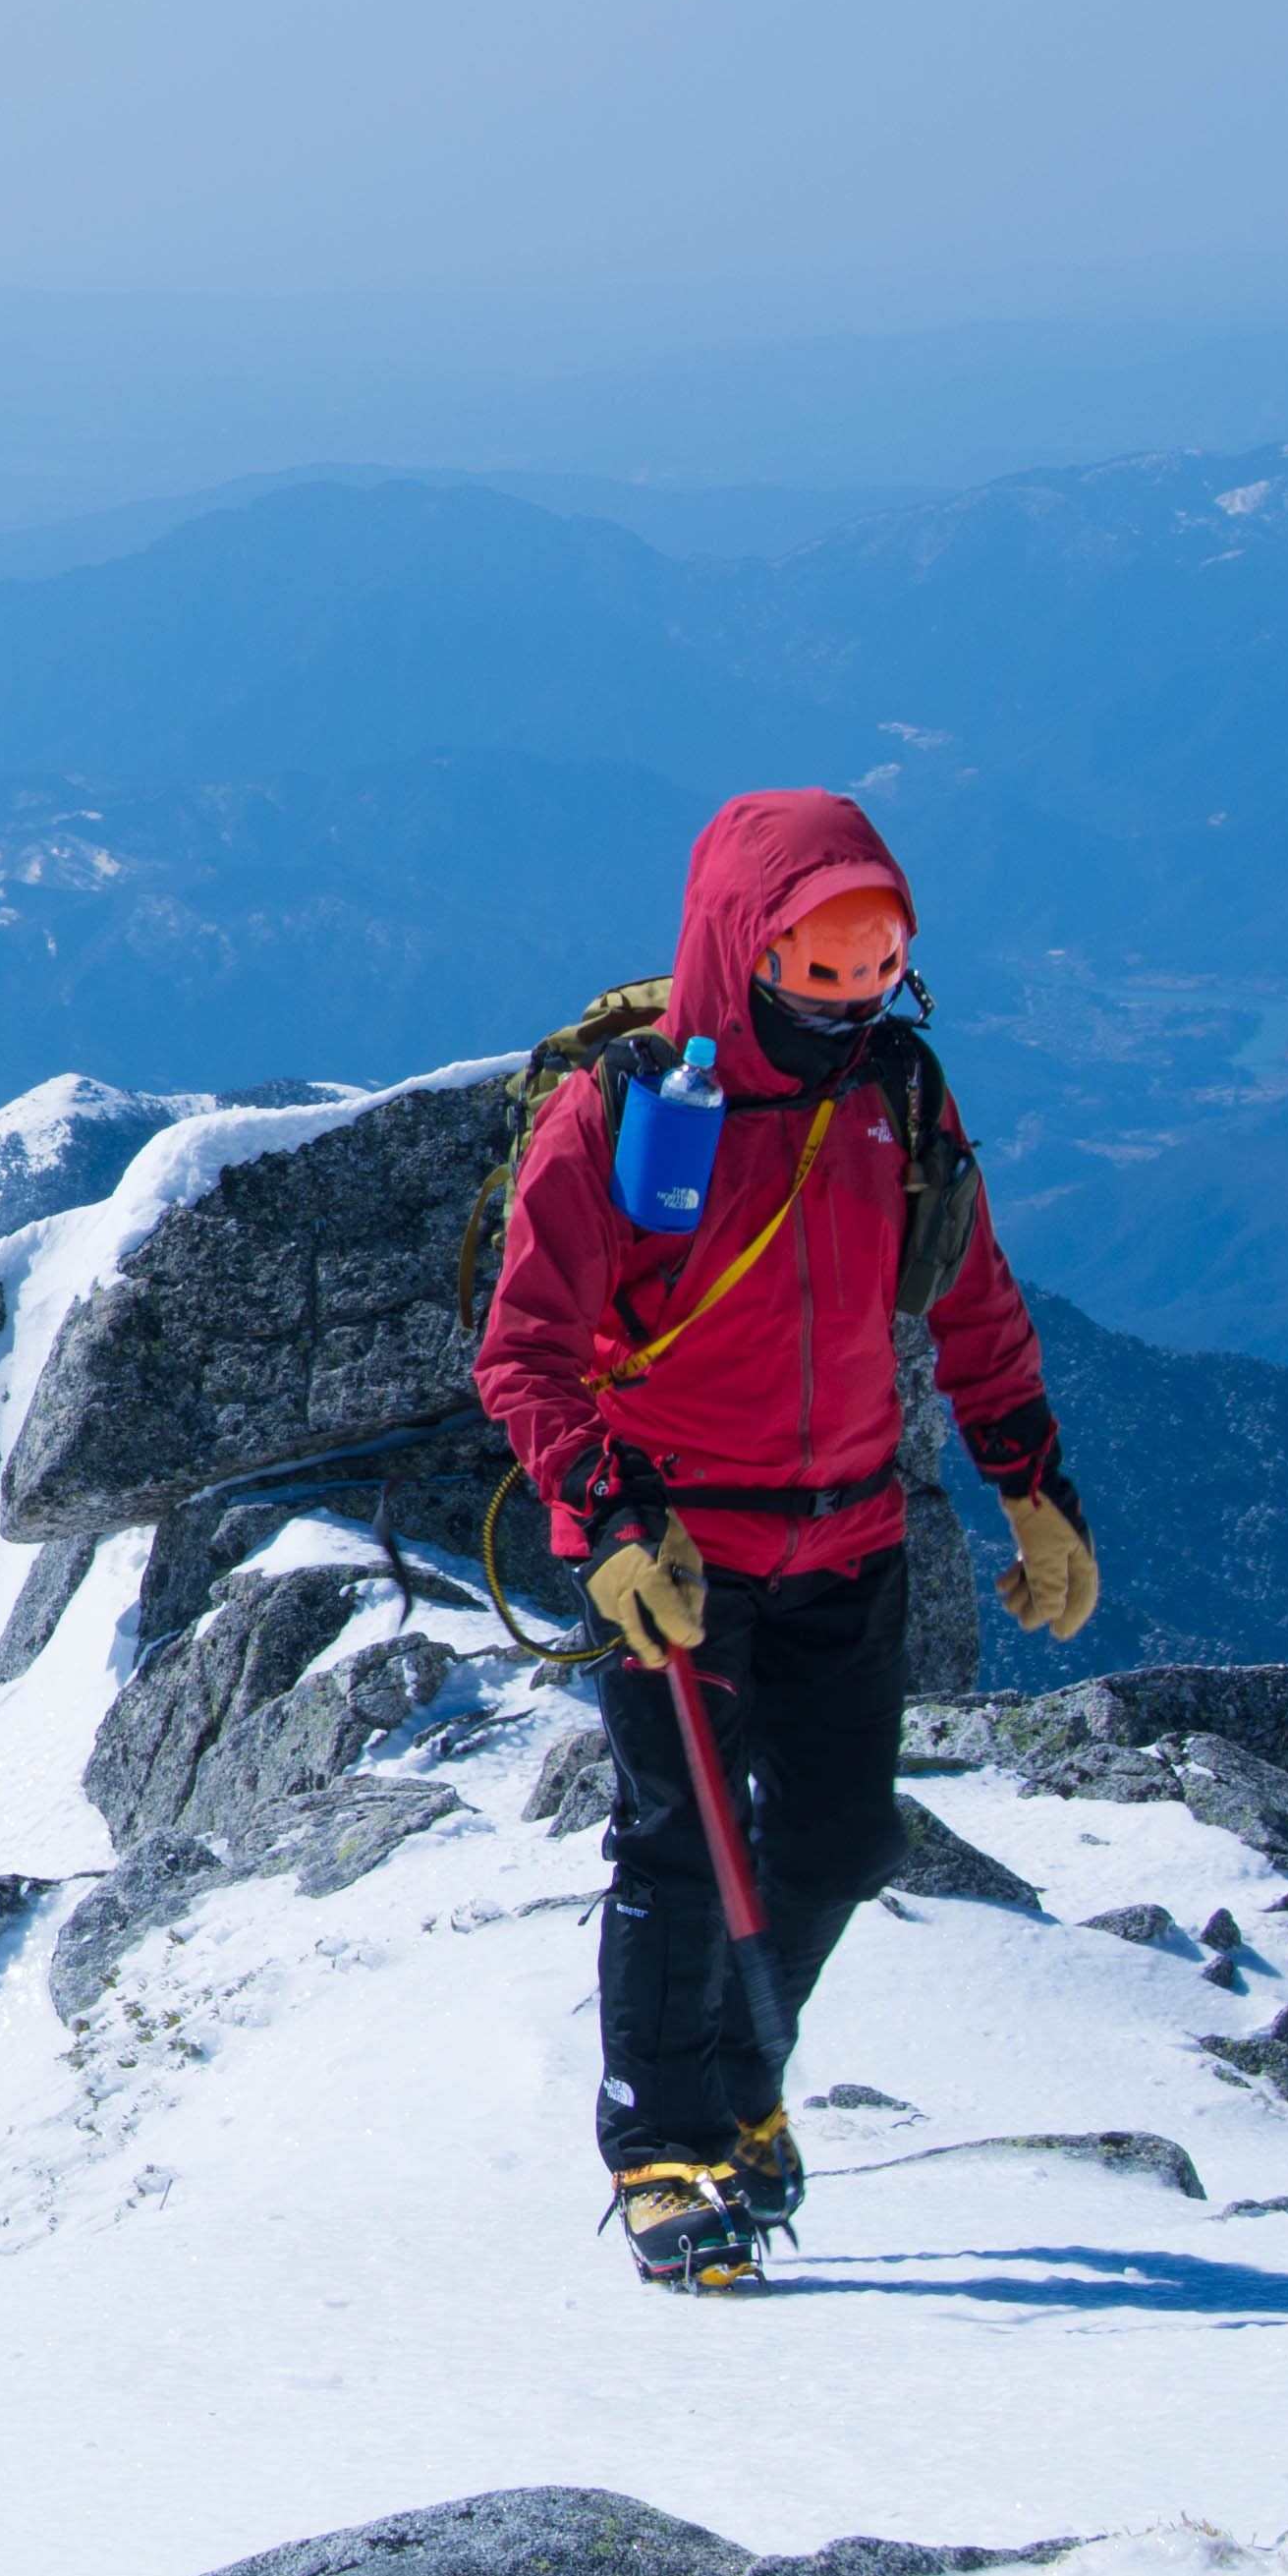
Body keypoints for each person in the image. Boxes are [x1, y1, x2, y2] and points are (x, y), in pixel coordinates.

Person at [475, 788, 1101, 2290]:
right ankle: (663, 2145)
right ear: (742, 949)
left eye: (875, 974)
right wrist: (613, 1522)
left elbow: (971, 1298)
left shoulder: (899, 1095)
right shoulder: (622, 1111)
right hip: (677, 1553)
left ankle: (747, 2085)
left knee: (836, 1838)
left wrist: (1032, 1480)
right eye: (820, 975)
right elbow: (528, 1350)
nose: (850, 1004)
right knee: (681, 1848)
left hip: (853, 1531)